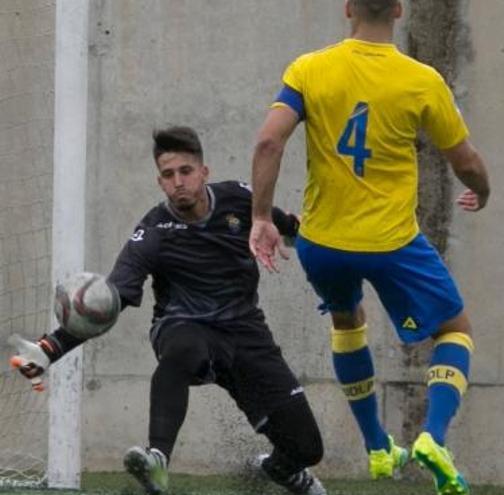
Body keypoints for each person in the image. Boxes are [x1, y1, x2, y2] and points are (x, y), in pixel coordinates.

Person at [248, 1, 490, 493]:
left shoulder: (309, 68)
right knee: (454, 328)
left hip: (322, 244)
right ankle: (434, 438)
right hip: (391, 243)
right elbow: (463, 160)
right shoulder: (421, 80)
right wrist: (482, 190)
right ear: (399, 10)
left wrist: (260, 216)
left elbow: (269, 142)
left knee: (347, 320)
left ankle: (378, 446)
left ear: (348, 8)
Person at [10, 127, 325, 495]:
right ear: (160, 181)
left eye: (185, 171)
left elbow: (288, 226)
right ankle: (157, 457)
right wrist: (50, 349)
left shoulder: (239, 197)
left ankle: (280, 469)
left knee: (307, 448)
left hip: (246, 333)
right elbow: (109, 301)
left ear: (204, 172)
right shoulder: (153, 232)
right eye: (168, 175)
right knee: (184, 347)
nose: (178, 182)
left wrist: (326, 249)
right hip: (183, 328)